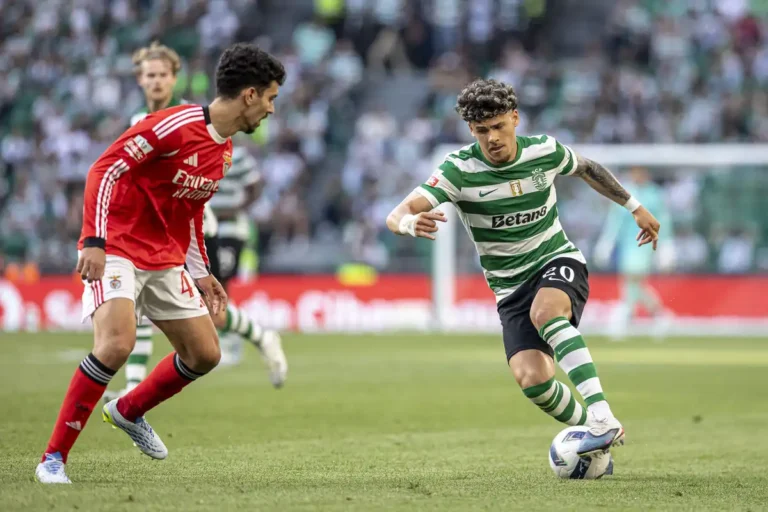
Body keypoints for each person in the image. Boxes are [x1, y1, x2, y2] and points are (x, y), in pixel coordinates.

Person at [35, 43, 286, 484]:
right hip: (116, 245)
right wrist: (93, 240)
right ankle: (53, 458)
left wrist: (202, 271)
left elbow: (187, 214)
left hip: (166, 257)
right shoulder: (175, 124)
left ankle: (129, 410)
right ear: (249, 94)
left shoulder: (224, 150)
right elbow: (104, 169)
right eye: (270, 98)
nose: (270, 109)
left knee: (206, 353)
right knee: (116, 344)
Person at [386, 79, 661, 458]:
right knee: (533, 381)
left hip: (557, 260)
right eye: (482, 131)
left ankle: (602, 416)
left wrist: (636, 208)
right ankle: (595, 435)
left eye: (499, 126)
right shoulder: (458, 170)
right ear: (471, 130)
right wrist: (408, 223)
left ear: (515, 118)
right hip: (509, 288)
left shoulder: (544, 151)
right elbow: (396, 213)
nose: (492, 138)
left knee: (546, 311)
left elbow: (588, 168)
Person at [100, 43, 286, 403]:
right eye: (149, 76)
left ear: (174, 79)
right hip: (151, 232)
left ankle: (262, 335)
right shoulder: (138, 121)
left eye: (162, 75)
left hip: (197, 229)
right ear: (140, 80)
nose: (156, 82)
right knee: (135, 302)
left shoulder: (189, 117)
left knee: (208, 313)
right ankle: (134, 386)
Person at [594, 166, 673, 340]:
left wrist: (666, 246)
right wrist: (606, 242)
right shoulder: (625, 193)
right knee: (634, 282)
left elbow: (664, 221)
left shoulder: (655, 194)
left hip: (645, 243)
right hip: (626, 245)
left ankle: (624, 315)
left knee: (633, 277)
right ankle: (659, 315)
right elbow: (614, 220)